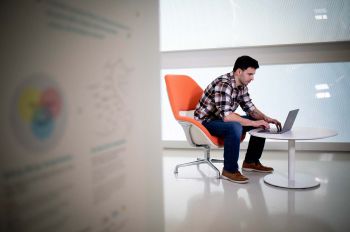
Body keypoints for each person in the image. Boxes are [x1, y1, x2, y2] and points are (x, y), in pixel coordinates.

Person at [194, 55, 281, 184]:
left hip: (220, 119)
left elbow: (251, 109)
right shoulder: (223, 84)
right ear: (239, 72)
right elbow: (228, 117)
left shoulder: (242, 85)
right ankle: (229, 170)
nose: (252, 78)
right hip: (206, 122)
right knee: (235, 126)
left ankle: (250, 162)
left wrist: (266, 119)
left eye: (253, 74)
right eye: (250, 74)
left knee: (259, 124)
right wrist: (253, 122)